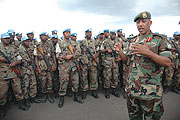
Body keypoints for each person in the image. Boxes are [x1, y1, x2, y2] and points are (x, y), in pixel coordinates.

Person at [114, 11, 171, 120]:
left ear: (150, 23)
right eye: (138, 22)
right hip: (132, 91)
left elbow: (167, 62)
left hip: (150, 93)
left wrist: (148, 52)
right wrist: (120, 51)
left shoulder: (159, 40)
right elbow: (127, 60)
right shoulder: (132, 40)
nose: (140, 24)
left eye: (143, 21)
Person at [0, 33, 26, 119]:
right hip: (3, 75)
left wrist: (16, 62)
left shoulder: (14, 48)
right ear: (1, 39)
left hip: (14, 73)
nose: (7, 39)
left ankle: (21, 104)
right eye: (5, 38)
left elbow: (20, 59)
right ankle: (2, 109)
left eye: (8, 38)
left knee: (18, 90)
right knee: (2, 93)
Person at [57, 29, 83, 108]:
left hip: (73, 65)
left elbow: (79, 52)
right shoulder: (60, 43)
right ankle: (61, 98)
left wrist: (71, 56)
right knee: (63, 82)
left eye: (69, 33)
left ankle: (76, 96)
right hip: (64, 67)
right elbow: (57, 54)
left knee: (75, 81)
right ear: (63, 34)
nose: (68, 34)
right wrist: (65, 57)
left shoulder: (74, 43)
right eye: (66, 33)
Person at [35, 32, 57, 103]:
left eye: (45, 35)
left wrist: (55, 64)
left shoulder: (50, 44)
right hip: (42, 65)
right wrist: (38, 68)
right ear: (40, 37)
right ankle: (44, 96)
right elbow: (36, 58)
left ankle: (50, 96)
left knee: (50, 80)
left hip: (49, 64)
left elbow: (53, 54)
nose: (44, 37)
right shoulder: (37, 45)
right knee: (43, 81)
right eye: (43, 36)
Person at [80, 29, 99, 100]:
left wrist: (96, 55)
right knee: (84, 77)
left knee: (93, 77)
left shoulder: (95, 42)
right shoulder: (82, 42)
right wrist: (80, 63)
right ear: (85, 33)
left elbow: (99, 50)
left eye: (90, 32)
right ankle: (84, 91)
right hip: (84, 62)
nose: (89, 34)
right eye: (87, 32)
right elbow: (79, 52)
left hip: (93, 63)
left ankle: (93, 91)